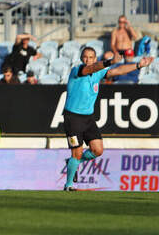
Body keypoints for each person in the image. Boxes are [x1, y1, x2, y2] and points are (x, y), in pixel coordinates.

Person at [62, 47, 153, 191]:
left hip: (88, 118)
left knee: (98, 150)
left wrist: (138, 65)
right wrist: (110, 61)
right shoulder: (77, 71)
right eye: (85, 57)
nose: (88, 60)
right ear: (81, 58)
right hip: (73, 118)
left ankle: (73, 163)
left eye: (91, 57)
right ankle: (68, 185)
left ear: (95, 58)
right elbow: (89, 69)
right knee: (77, 152)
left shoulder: (98, 72)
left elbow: (116, 71)